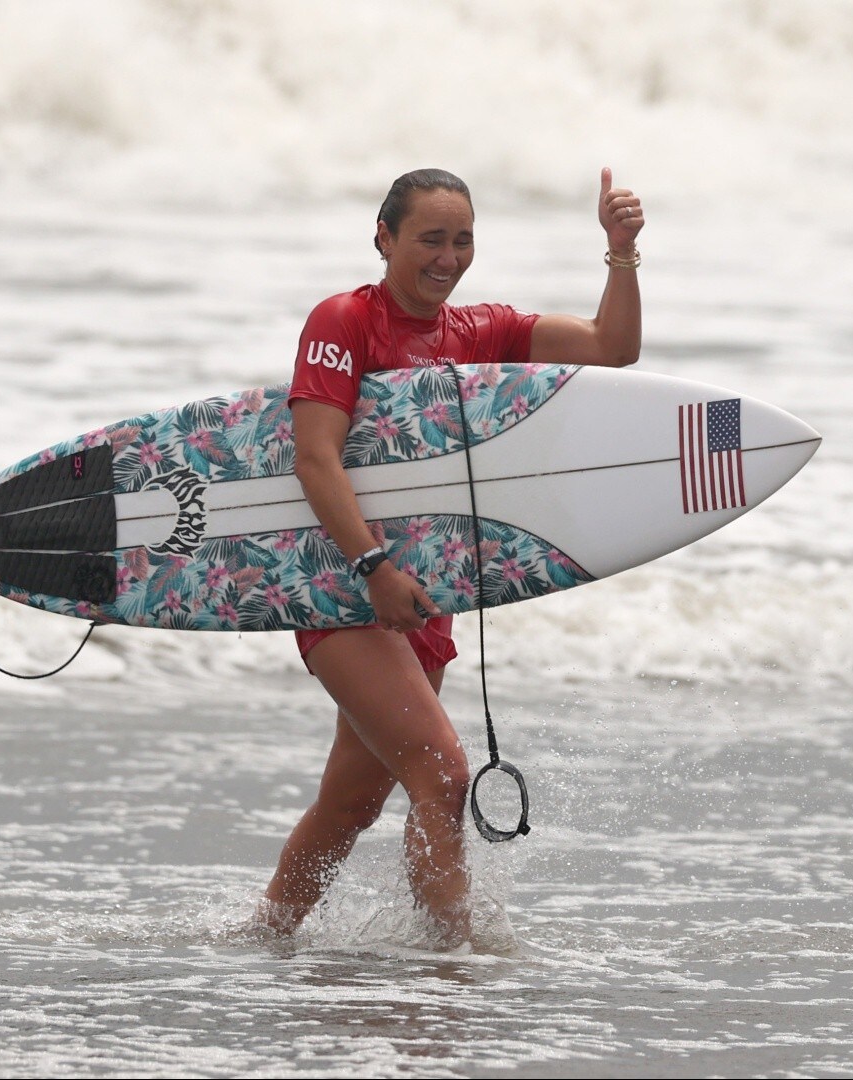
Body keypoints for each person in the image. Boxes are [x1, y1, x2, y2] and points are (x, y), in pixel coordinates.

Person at [253, 166, 645, 948]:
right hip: (346, 590)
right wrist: (373, 569)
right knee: (441, 772)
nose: (448, 255)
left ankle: (262, 940)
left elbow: (612, 349)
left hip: (422, 601)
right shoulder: (342, 322)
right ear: (384, 238)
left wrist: (621, 253)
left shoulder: (477, 333)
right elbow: (315, 460)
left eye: (462, 239)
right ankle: (453, 954)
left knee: (351, 804)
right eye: (430, 238)